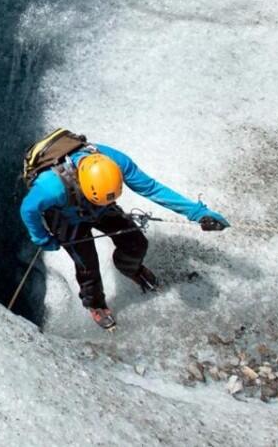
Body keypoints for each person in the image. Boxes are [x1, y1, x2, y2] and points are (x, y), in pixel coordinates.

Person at [19, 129, 229, 330]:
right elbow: (28, 209)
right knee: (87, 264)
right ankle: (96, 303)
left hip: (100, 206)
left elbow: (152, 188)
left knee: (136, 243)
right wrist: (42, 238)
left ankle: (130, 268)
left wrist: (199, 213)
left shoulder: (114, 162)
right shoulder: (50, 187)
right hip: (66, 217)